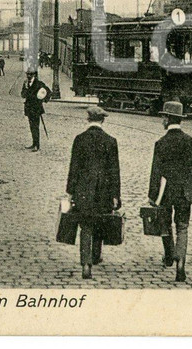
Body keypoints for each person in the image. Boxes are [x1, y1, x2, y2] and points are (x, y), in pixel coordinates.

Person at [148, 101, 192, 283]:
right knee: (182, 226)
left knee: (165, 224)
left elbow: (155, 172)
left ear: (167, 119)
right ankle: (180, 263)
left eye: (163, 117)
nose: (162, 120)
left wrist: (152, 196)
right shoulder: (191, 142)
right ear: (179, 120)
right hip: (185, 191)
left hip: (166, 191)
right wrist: (189, 179)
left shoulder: (161, 143)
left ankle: (168, 256)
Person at [66, 105, 121, 279]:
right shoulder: (111, 141)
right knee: (99, 221)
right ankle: (96, 256)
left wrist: (70, 191)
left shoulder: (79, 139)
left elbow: (73, 168)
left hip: (83, 189)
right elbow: (114, 171)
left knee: (85, 225)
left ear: (88, 119)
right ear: (103, 120)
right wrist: (115, 195)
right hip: (103, 190)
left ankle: (86, 264)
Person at [20, 70, 50, 152]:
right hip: (29, 108)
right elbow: (23, 95)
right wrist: (25, 89)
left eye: (31, 74)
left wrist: (42, 99)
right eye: (27, 74)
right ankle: (34, 144)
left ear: (34, 75)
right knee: (32, 127)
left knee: (35, 127)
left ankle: (37, 145)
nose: (29, 76)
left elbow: (48, 92)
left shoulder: (39, 84)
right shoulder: (26, 84)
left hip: (36, 109)